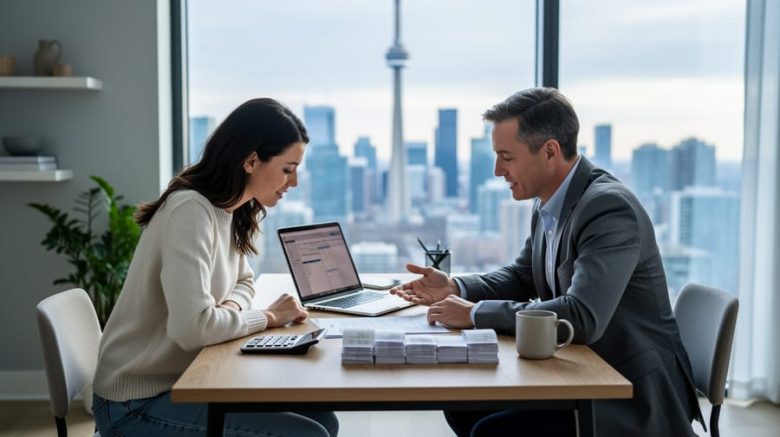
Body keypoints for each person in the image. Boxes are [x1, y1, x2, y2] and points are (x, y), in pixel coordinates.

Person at [391, 88, 703, 436]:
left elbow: (582, 316)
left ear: (550, 151)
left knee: (492, 431)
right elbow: (523, 275)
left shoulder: (608, 209)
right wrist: (455, 287)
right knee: (462, 407)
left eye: (507, 157)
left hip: (627, 391)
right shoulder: (550, 202)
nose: (497, 170)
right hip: (578, 370)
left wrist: (475, 314)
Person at [92, 98, 339, 437]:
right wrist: (267, 317)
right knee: (308, 434)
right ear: (252, 161)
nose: (293, 183)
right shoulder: (191, 212)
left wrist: (226, 309)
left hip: (185, 381)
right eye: (287, 169)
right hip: (135, 403)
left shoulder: (232, 209)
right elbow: (192, 329)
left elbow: (245, 281)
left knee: (324, 419)